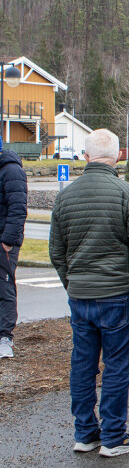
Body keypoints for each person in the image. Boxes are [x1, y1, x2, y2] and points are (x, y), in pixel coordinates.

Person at [49, 129, 129, 457]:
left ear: (86, 157)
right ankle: (113, 436)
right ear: (119, 155)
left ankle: (85, 432)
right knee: (117, 366)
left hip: (81, 294)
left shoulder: (65, 197)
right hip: (120, 293)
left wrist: (73, 284)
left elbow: (57, 252)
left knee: (82, 365)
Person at [0, 135, 26, 359]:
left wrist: (7, 241)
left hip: (4, 243)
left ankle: (4, 338)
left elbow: (18, 209)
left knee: (4, 288)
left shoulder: (11, 170)